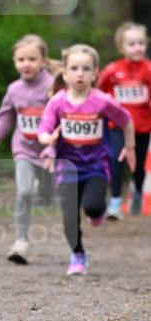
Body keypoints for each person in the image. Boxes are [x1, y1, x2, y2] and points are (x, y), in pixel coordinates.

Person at [37, 44, 135, 276]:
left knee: (93, 206)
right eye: (74, 68)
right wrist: (48, 138)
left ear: (95, 74)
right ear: (65, 73)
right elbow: (43, 129)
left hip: (95, 166)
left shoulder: (102, 101)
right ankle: (78, 255)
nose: (80, 74)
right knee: (69, 218)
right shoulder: (57, 102)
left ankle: (97, 213)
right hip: (67, 167)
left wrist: (129, 147)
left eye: (86, 69)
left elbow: (126, 120)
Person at [0, 34, 57, 264]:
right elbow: (4, 119)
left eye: (32, 59)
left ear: (43, 60)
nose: (26, 64)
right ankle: (21, 242)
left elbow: (63, 117)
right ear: (15, 62)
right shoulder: (15, 89)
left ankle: (43, 189)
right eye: (21, 59)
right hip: (24, 150)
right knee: (24, 192)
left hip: (50, 151)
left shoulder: (53, 87)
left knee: (47, 198)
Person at [97, 21, 151, 219]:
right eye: (132, 44)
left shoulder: (149, 69)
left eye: (141, 43)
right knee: (115, 161)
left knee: (138, 166)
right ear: (121, 47)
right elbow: (98, 92)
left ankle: (137, 191)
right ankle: (115, 202)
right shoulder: (112, 70)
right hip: (117, 126)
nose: (137, 48)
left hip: (142, 127)